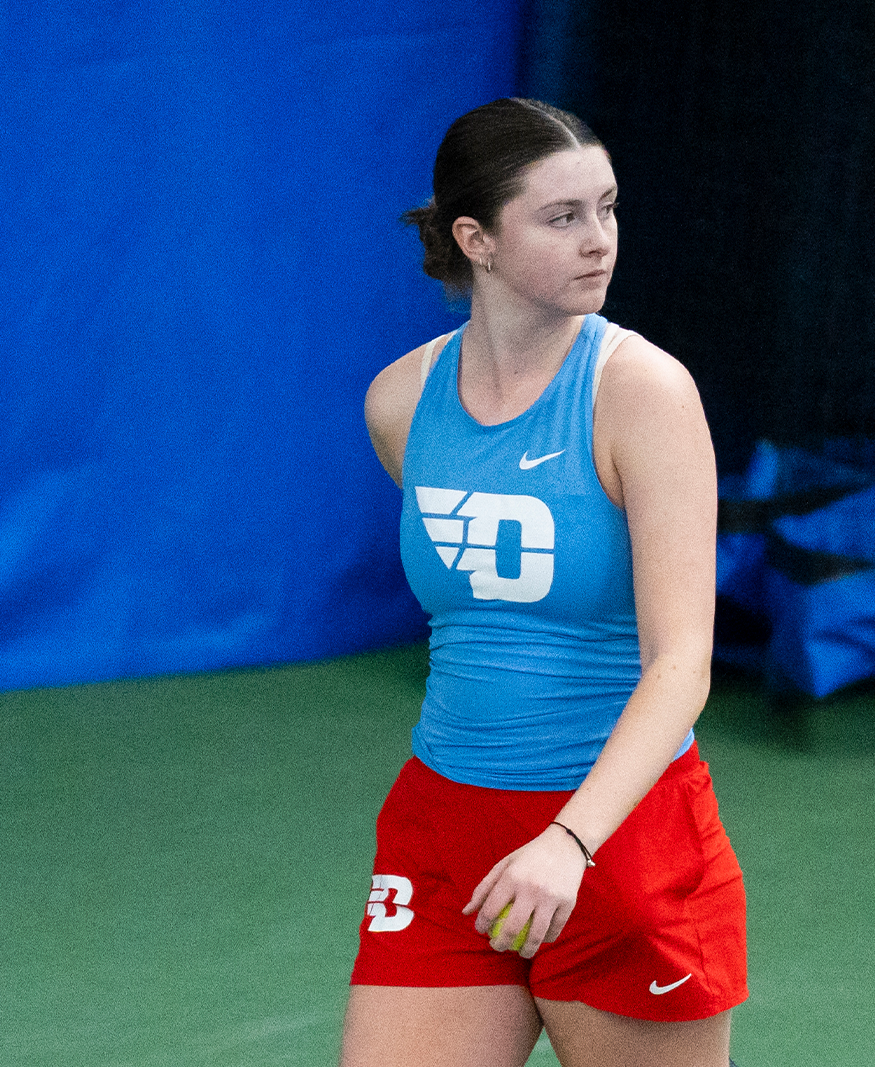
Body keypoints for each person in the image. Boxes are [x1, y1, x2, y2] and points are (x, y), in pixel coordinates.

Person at [342, 98, 746, 1067]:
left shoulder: (642, 395)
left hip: (619, 836)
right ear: (475, 238)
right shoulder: (401, 403)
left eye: (607, 209)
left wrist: (572, 841)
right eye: (562, 217)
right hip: (446, 830)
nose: (598, 240)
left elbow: (681, 664)